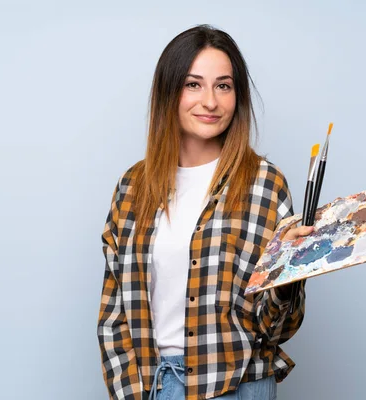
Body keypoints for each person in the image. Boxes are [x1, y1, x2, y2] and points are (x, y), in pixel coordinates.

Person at [98, 24, 312, 400]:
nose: (210, 101)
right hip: (157, 385)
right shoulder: (132, 187)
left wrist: (290, 271)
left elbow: (275, 328)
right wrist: (129, 392)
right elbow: (114, 312)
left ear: (237, 96)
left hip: (239, 385)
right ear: (169, 92)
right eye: (193, 84)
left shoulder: (264, 184)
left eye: (223, 86)